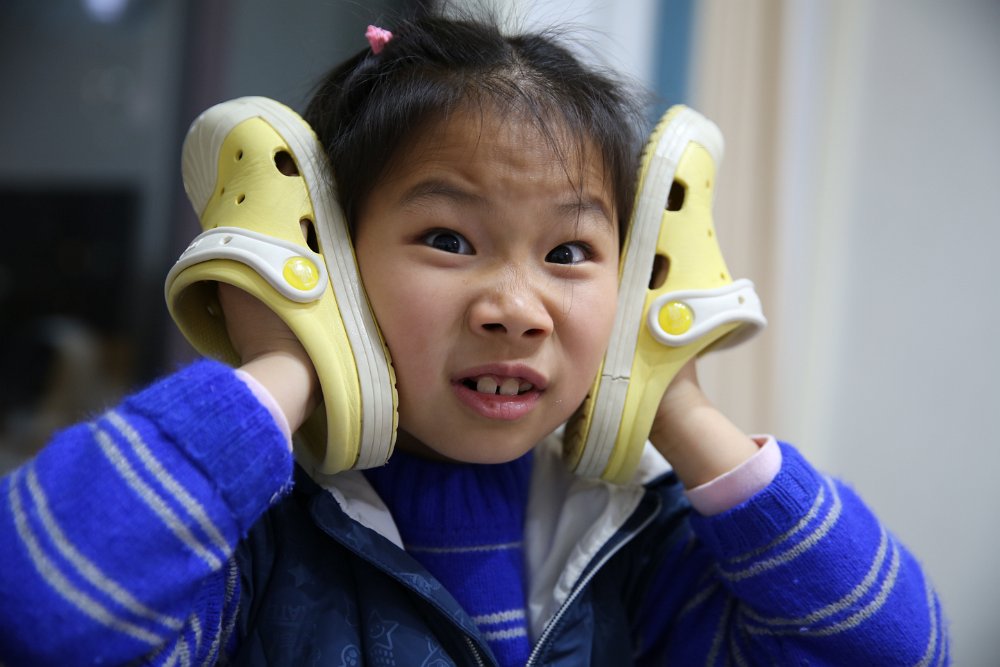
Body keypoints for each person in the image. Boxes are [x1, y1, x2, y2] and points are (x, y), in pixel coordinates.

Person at [0, 12, 948, 666]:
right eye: (449, 240)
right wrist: (285, 363)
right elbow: (42, 606)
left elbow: (898, 647)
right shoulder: (255, 546)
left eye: (570, 252)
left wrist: (678, 403)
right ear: (332, 263)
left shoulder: (640, 547)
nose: (517, 308)